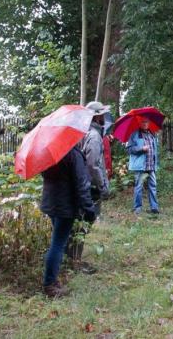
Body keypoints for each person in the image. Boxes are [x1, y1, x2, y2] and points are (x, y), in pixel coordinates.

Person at [39, 144, 96, 297]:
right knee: (58, 244)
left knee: (57, 242)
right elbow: (81, 183)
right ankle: (49, 284)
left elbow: (44, 174)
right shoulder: (72, 153)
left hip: (51, 203)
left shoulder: (49, 152)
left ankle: (53, 278)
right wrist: (89, 209)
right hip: (65, 206)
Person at [69, 101, 111, 272]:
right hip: (90, 187)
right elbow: (93, 165)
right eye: (102, 114)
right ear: (97, 116)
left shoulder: (82, 132)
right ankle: (75, 261)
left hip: (81, 184)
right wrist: (103, 187)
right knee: (84, 223)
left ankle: (72, 259)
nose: (104, 117)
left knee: (79, 223)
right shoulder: (93, 136)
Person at [127, 117, 161, 215]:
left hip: (151, 166)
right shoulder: (135, 134)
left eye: (146, 122)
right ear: (140, 123)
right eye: (143, 122)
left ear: (149, 123)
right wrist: (141, 148)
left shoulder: (152, 134)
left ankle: (154, 208)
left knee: (153, 186)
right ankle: (137, 208)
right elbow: (129, 149)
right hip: (141, 166)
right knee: (139, 187)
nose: (145, 123)